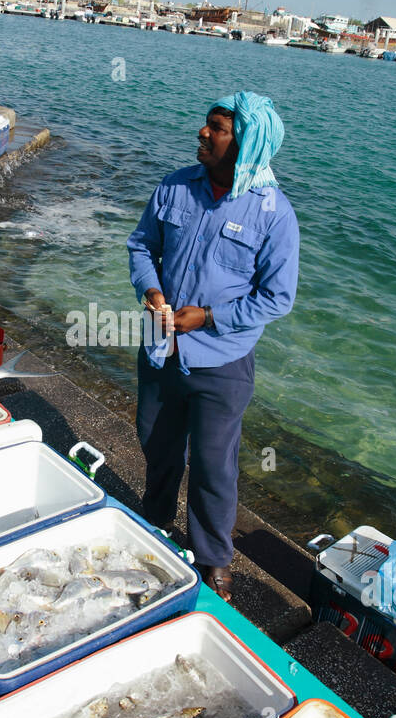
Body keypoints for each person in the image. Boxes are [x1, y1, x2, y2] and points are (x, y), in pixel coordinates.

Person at [127, 91, 300, 603]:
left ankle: (212, 560)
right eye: (206, 125)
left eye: (218, 128)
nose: (203, 133)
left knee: (212, 465)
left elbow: (277, 297)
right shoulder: (175, 185)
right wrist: (151, 290)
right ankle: (153, 522)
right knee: (157, 446)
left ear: (246, 142)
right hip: (161, 351)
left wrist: (210, 317)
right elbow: (142, 246)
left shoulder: (274, 213)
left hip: (221, 363)